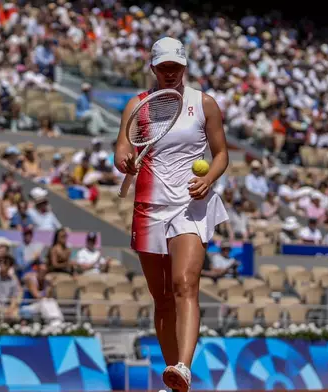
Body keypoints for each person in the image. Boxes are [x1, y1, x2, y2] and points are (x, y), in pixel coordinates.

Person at [114, 37, 229, 392]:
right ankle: (173, 377)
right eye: (163, 67)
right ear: (152, 67)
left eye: (175, 68)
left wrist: (209, 178)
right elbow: (121, 150)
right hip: (149, 205)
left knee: (184, 285)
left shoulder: (204, 103)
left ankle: (184, 365)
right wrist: (124, 160)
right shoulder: (137, 105)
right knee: (162, 298)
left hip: (190, 205)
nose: (169, 73)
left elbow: (222, 153)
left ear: (185, 66)